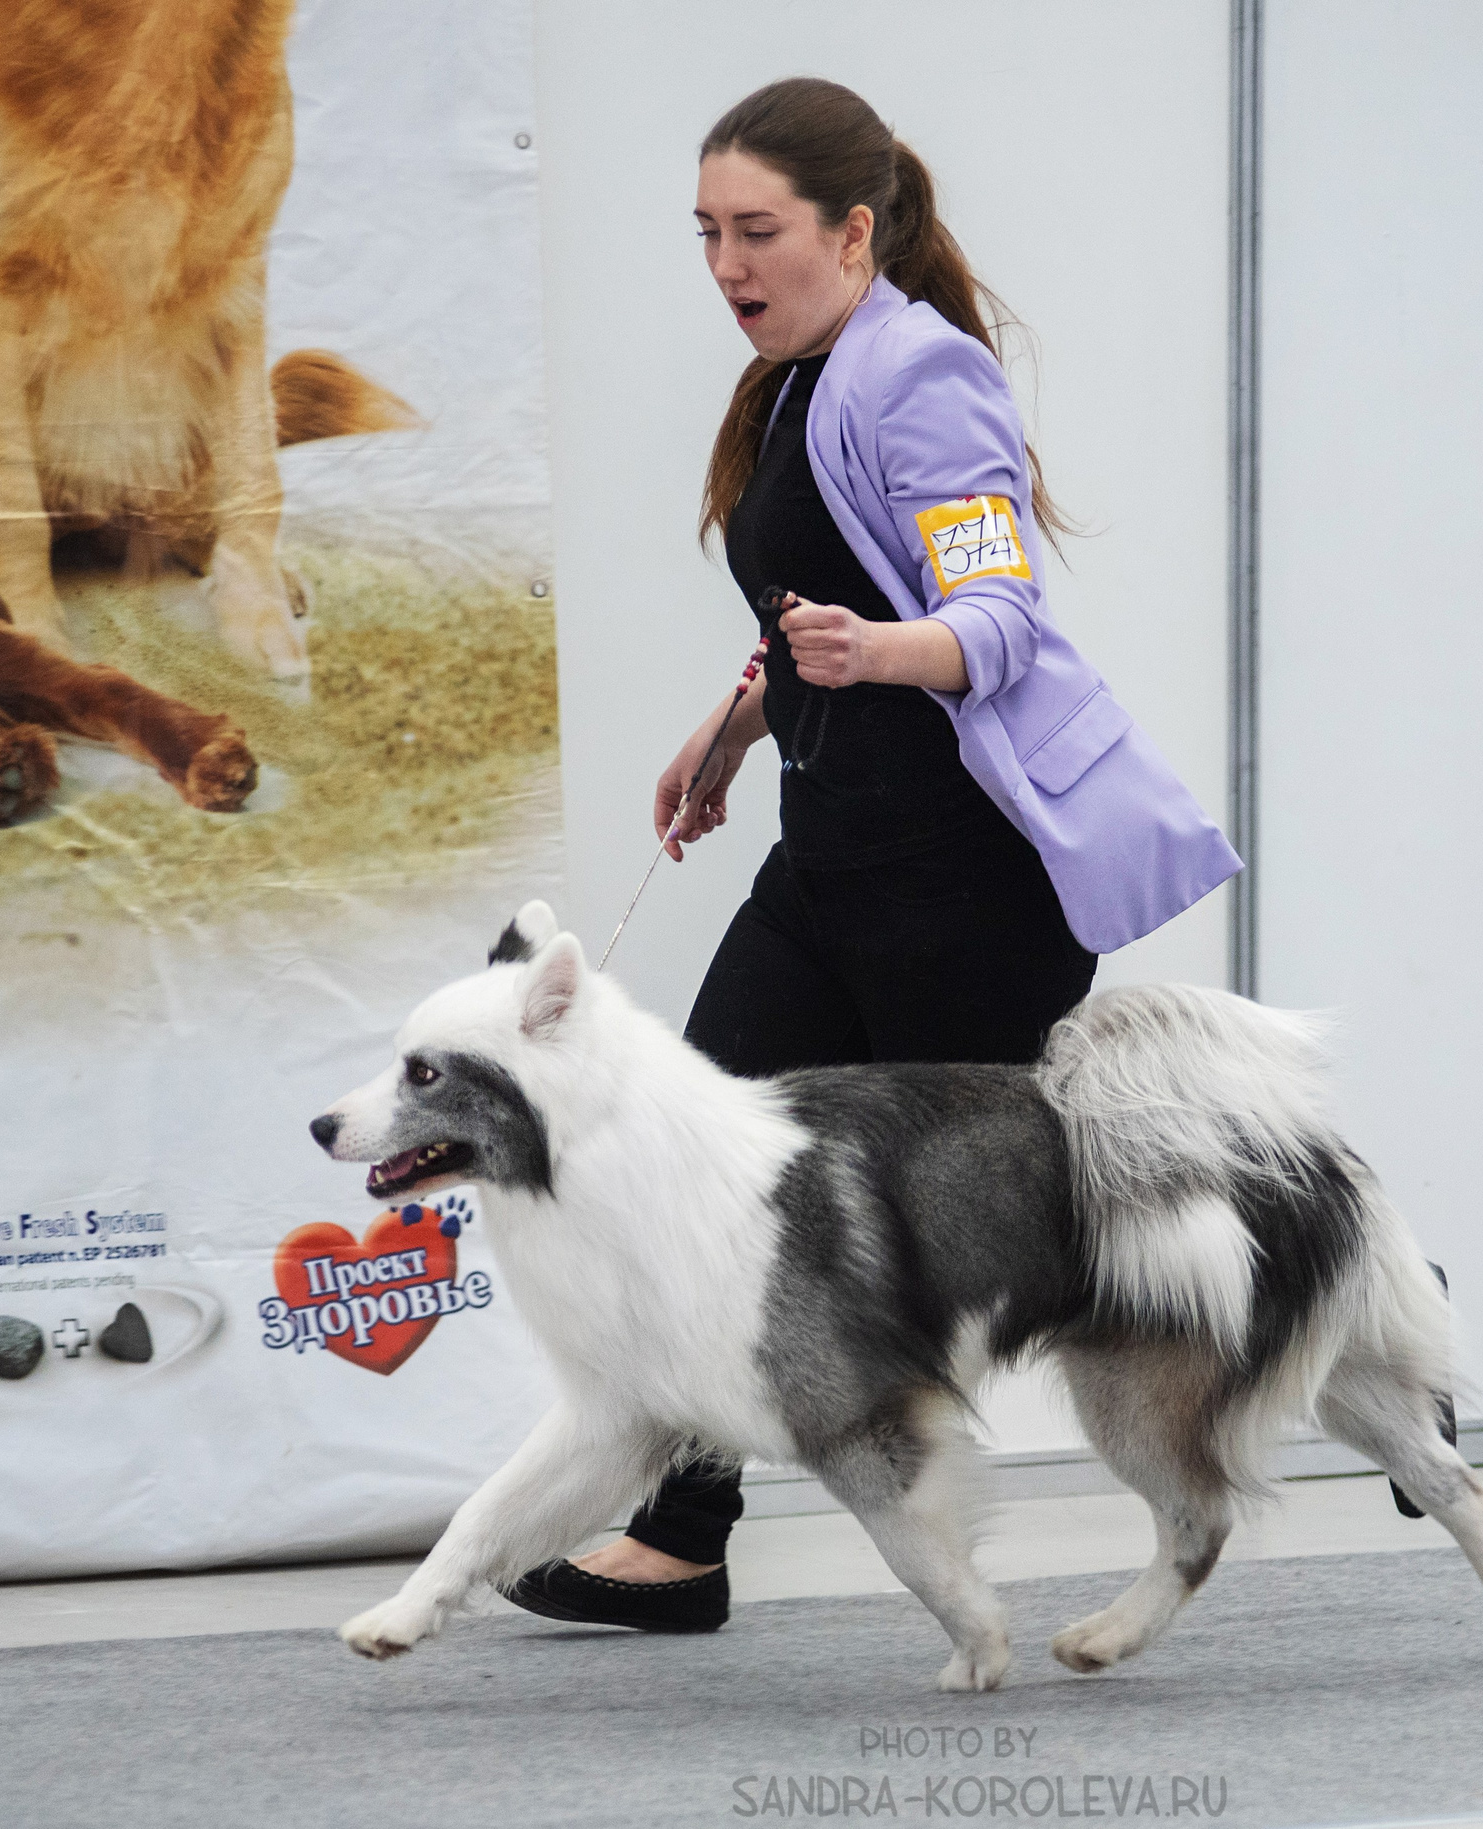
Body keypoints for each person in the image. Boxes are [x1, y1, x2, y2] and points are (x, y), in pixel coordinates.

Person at [504, 77, 1238, 1635]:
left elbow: (998, 620)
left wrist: (869, 653)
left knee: (1080, 1225)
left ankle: (1365, 1309)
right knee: (696, 1174)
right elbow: (811, 619)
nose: (726, 264)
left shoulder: (926, 378)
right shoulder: (793, 381)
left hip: (967, 897)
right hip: (829, 873)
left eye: (756, 231)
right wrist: (737, 723)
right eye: (706, 233)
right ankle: (683, 1534)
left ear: (853, 231)